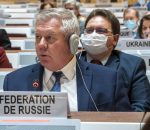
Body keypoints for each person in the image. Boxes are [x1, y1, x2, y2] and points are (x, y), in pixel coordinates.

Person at [3, 8, 132, 112]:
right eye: (38, 37)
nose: (41, 45)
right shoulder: (14, 82)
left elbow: (124, 129)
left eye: (49, 38)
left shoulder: (109, 81)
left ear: (73, 43)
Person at [79, 9, 150, 111]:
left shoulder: (133, 65)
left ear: (115, 39)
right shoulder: (72, 62)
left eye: (101, 31)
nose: (93, 35)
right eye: (89, 30)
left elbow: (142, 107)